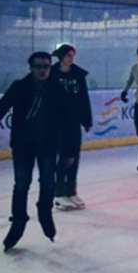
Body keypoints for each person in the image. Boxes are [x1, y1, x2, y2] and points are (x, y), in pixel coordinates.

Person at [0, 52, 65, 251]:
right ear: (30, 68)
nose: (43, 70)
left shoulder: (57, 88)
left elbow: (67, 118)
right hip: (23, 145)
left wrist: (70, 148)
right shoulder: (20, 87)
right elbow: (0, 108)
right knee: (22, 184)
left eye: (46, 66)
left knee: (48, 181)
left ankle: (44, 212)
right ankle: (18, 221)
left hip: (48, 145)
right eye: (39, 66)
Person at [51, 44, 91, 211]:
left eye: (73, 56)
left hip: (74, 121)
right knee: (63, 157)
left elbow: (84, 97)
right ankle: (59, 193)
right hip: (57, 122)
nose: (71, 59)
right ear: (61, 57)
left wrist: (87, 119)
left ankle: (71, 191)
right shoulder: (52, 73)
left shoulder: (78, 74)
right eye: (68, 55)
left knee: (74, 156)